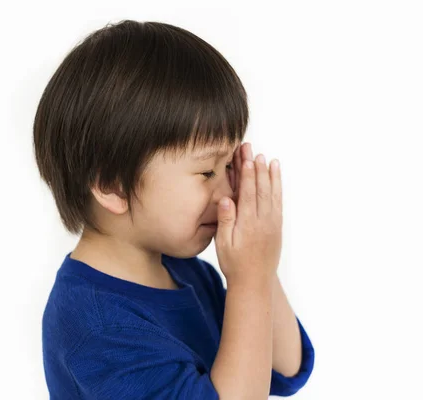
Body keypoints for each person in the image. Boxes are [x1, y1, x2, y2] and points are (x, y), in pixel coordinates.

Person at [34, 19, 315, 399]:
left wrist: (258, 269)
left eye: (231, 166)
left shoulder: (189, 274)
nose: (228, 190)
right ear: (112, 184)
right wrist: (249, 277)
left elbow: (285, 367)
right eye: (207, 171)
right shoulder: (94, 324)